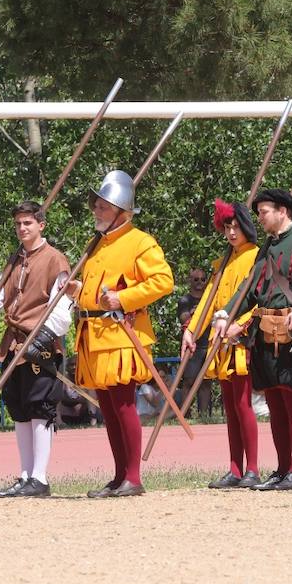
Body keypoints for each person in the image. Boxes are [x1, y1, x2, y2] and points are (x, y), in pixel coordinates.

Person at [215, 188, 292, 491]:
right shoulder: (267, 248)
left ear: (283, 211)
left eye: (264, 211)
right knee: (275, 402)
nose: (259, 218)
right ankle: (281, 469)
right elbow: (248, 289)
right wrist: (224, 315)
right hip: (266, 333)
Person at [0, 201, 74, 499]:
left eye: (28, 223)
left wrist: (43, 336)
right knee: (19, 409)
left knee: (39, 408)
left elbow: (63, 307)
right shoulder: (14, 260)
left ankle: (40, 477)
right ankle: (25, 475)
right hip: (13, 343)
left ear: (41, 225)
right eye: (19, 224)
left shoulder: (55, 260)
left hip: (40, 346)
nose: (22, 228)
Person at [71, 170, 174, 498]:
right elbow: (96, 290)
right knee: (109, 408)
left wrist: (123, 298)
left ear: (121, 212)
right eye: (97, 206)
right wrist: (76, 291)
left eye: (102, 207)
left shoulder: (140, 241)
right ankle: (118, 477)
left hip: (122, 335)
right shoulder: (97, 244)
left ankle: (132, 476)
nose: (96, 211)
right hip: (95, 335)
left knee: (125, 405)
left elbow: (162, 281)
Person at [182, 200, 261, 489]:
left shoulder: (255, 257)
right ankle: (234, 468)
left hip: (242, 341)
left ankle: (252, 468)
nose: (231, 233)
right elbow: (208, 302)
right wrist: (192, 330)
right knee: (230, 408)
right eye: (227, 227)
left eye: (236, 227)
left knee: (243, 406)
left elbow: (259, 300)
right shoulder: (224, 261)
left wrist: (239, 325)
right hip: (219, 343)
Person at [173, 266, 214, 417]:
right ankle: (185, 414)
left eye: (203, 279)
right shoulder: (185, 300)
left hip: (208, 344)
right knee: (189, 381)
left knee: (206, 381)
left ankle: (204, 415)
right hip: (192, 345)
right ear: (190, 280)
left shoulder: (210, 299)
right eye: (196, 279)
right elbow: (184, 318)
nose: (200, 282)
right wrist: (195, 312)